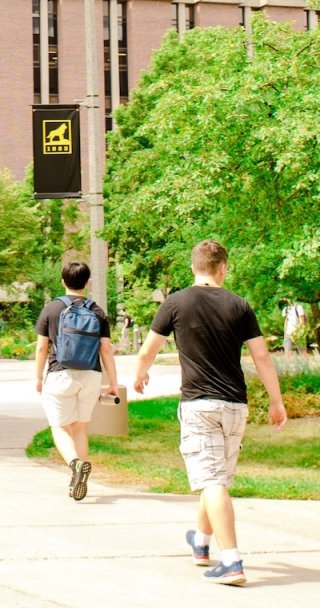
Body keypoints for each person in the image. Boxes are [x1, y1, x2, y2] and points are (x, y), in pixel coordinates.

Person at [133, 240, 283, 587]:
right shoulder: (240, 305)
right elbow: (261, 356)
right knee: (216, 477)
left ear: (193, 268)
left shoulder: (176, 302)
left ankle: (231, 561)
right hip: (235, 406)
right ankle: (200, 543)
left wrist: (141, 374)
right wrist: (276, 401)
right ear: (223, 268)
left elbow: (147, 350)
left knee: (212, 480)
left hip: (200, 405)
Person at [36, 262, 118, 500]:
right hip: (91, 375)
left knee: (60, 427)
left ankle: (75, 464)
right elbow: (106, 350)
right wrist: (112, 381)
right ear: (87, 282)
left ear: (63, 281)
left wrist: (38, 377)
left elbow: (42, 348)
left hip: (60, 373)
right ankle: (79, 473)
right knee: (80, 427)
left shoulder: (52, 309)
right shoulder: (98, 311)